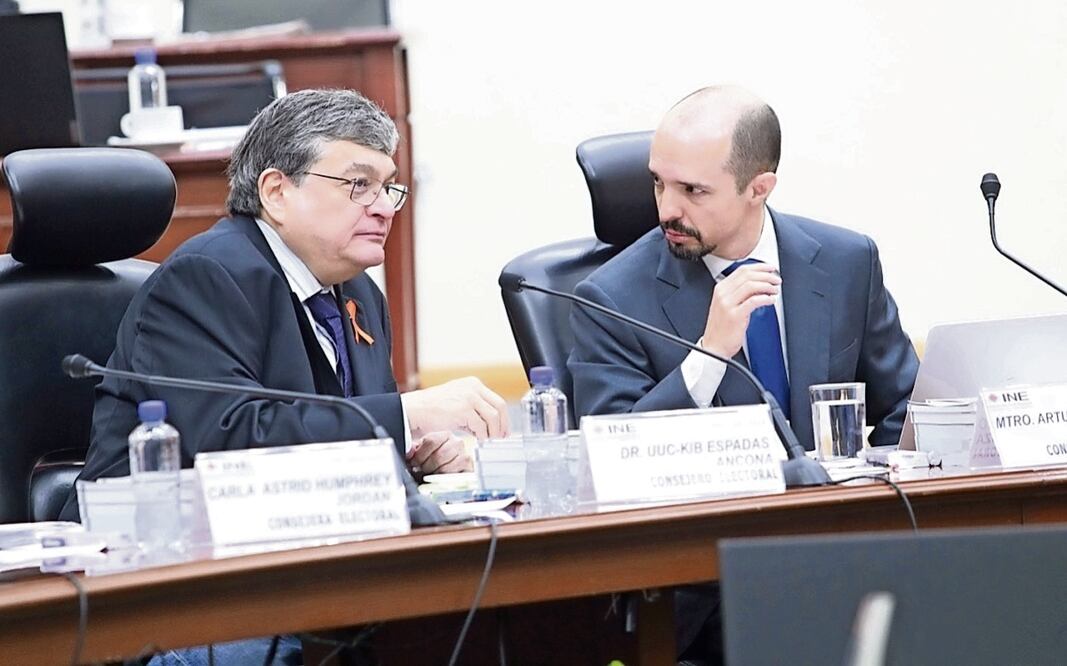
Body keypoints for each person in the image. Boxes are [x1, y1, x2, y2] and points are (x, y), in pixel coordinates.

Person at [567, 85, 919, 660]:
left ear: (760, 188)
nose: (665, 209)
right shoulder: (609, 297)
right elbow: (609, 458)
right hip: (706, 586)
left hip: (845, 557)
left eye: (692, 191)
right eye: (658, 182)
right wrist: (708, 355)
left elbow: (903, 405)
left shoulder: (847, 259)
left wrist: (865, 494)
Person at [61, 88, 509, 510]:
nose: (384, 208)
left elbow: (340, 442)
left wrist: (414, 458)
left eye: (387, 188)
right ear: (277, 193)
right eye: (358, 185)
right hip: (139, 558)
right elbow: (231, 446)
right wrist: (406, 413)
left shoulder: (359, 293)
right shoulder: (205, 278)